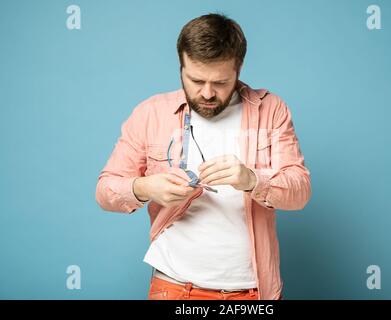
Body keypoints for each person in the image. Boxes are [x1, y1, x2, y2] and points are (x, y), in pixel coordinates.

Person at [95, 13, 312, 300]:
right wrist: (146, 187)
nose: (207, 93)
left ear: (238, 68)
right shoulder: (150, 113)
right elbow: (105, 191)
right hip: (174, 288)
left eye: (220, 82)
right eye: (196, 80)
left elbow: (300, 191)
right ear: (181, 65)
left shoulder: (271, 110)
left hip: (253, 292)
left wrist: (252, 180)